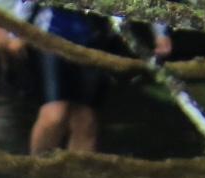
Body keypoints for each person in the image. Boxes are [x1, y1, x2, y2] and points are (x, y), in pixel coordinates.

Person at [10, 5, 172, 155]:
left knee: (85, 119)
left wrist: (161, 34)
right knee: (55, 113)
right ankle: (39, 173)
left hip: (97, 39)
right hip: (53, 33)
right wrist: (18, 30)